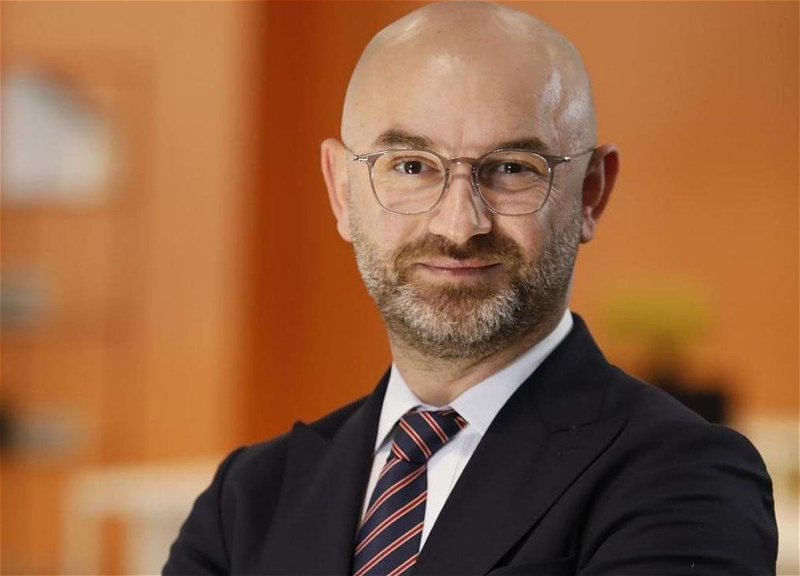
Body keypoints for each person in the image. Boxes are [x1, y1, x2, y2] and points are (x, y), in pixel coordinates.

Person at [163, 3, 777, 575]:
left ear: (591, 193)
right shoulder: (247, 501)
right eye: (411, 166)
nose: (459, 226)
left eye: (512, 169)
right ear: (342, 191)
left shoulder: (686, 479)